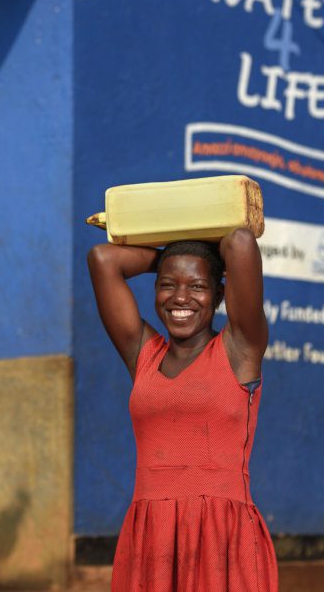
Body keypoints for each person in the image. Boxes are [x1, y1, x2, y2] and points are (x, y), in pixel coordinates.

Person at [87, 230, 278, 590]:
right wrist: (173, 255)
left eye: (197, 287)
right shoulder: (143, 355)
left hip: (222, 536)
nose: (180, 297)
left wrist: (200, 250)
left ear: (219, 293)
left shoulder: (240, 349)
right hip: (152, 536)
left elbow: (239, 244)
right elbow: (103, 259)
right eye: (168, 284)